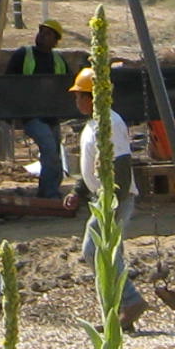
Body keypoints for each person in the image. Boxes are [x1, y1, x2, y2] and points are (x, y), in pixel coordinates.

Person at [71, 65, 146, 333]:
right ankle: (118, 316)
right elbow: (93, 164)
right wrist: (79, 190)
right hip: (102, 197)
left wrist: (112, 202)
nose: (76, 100)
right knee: (110, 254)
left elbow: (121, 164)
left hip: (114, 198)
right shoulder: (93, 125)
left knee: (93, 250)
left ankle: (131, 301)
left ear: (92, 97)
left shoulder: (110, 122)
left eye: (80, 95)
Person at [2, 19, 75, 200]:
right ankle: (50, 194)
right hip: (31, 115)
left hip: (51, 116)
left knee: (54, 154)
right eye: (41, 31)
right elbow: (8, 83)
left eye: (47, 34)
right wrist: (12, 111)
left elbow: (66, 85)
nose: (42, 36)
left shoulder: (59, 60)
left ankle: (48, 190)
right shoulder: (23, 55)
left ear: (56, 40)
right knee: (50, 150)